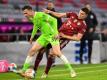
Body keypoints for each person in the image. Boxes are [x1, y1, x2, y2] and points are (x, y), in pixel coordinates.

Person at [19, 5, 76, 79]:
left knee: (57, 53)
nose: (25, 15)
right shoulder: (33, 18)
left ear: (30, 11)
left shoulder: (41, 15)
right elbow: (36, 26)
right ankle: (23, 70)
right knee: (32, 51)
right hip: (44, 36)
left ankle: (71, 70)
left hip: (52, 36)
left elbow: (54, 20)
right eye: (24, 13)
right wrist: (32, 36)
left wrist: (56, 32)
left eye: (26, 13)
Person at [33, 7, 89, 78]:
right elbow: (59, 15)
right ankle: (34, 71)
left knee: (51, 54)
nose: (80, 14)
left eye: (82, 14)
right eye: (80, 12)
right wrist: (50, 12)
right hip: (56, 34)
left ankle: (45, 73)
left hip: (64, 39)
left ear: (86, 15)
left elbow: (78, 38)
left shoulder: (83, 25)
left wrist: (64, 35)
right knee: (41, 51)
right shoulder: (73, 14)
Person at [34, 1, 62, 68]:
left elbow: (60, 23)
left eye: (51, 4)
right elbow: (39, 22)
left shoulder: (56, 13)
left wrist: (58, 32)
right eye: (49, 4)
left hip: (54, 34)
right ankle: (49, 61)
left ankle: (52, 61)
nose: (50, 5)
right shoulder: (43, 13)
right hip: (46, 34)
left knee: (53, 48)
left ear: (53, 5)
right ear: (47, 5)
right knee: (46, 48)